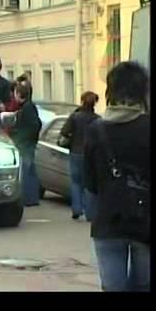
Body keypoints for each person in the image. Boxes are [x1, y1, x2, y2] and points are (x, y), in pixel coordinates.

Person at [84, 61, 150, 292]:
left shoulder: (95, 129)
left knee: (113, 288)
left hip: (107, 223)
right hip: (146, 223)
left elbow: (90, 182)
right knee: (144, 285)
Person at [60, 91, 100, 220]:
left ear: (82, 101)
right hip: (91, 155)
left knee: (76, 182)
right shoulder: (97, 119)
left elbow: (64, 132)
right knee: (89, 183)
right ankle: (90, 213)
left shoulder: (75, 117)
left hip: (76, 153)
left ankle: (76, 209)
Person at [9, 82, 42, 206]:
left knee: (26, 170)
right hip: (29, 142)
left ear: (18, 94)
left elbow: (34, 125)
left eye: (15, 94)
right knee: (31, 170)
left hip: (26, 143)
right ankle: (32, 198)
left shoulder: (27, 108)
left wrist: (19, 137)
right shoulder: (28, 107)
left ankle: (27, 198)